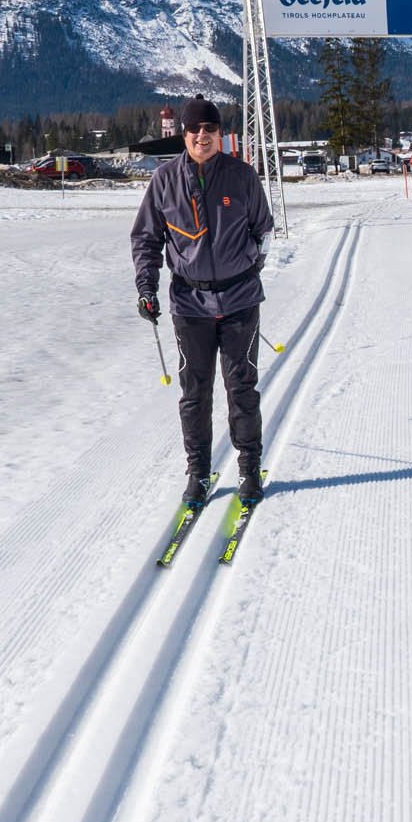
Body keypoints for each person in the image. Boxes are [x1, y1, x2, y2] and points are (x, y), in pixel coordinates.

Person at [131, 96, 273, 511]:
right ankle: (198, 471)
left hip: (239, 301)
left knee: (241, 388)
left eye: (209, 130)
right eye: (194, 130)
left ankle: (249, 468)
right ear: (184, 135)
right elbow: (146, 239)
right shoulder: (164, 181)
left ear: (220, 134)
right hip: (189, 304)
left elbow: (263, 230)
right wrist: (146, 287)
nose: (201, 137)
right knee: (194, 393)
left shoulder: (242, 176)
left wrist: (246, 267)